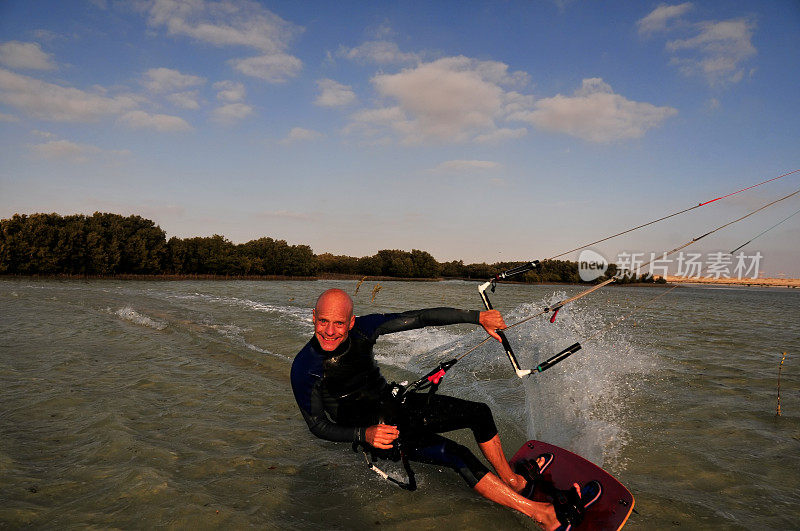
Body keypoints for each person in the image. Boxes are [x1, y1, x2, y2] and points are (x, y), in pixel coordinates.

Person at [291, 288, 593, 530]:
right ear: (313, 316)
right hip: (379, 433)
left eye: (339, 323)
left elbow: (420, 317)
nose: (330, 331)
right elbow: (316, 425)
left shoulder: (364, 330)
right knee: (457, 455)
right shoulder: (305, 369)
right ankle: (541, 514)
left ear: (352, 322)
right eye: (323, 321)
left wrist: (478, 317)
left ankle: (513, 481)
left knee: (479, 413)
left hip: (397, 404)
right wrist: (364, 434)